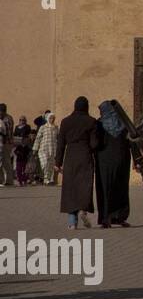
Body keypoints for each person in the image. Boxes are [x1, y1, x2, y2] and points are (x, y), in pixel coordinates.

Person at [56, 97, 99, 229]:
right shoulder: (91, 122)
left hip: (70, 157)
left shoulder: (65, 122)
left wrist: (58, 162)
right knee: (84, 185)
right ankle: (83, 210)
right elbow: (94, 143)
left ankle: (72, 222)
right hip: (85, 155)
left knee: (70, 188)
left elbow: (61, 144)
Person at [94, 101, 132, 227]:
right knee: (121, 188)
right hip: (122, 160)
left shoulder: (99, 124)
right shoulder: (123, 123)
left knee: (105, 189)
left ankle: (106, 218)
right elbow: (131, 140)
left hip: (104, 162)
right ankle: (120, 217)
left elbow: (95, 143)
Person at [35, 113, 59, 186]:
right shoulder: (43, 127)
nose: (52, 120)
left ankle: (47, 179)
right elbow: (38, 138)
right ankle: (45, 178)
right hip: (43, 148)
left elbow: (59, 137)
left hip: (53, 148)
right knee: (45, 163)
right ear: (47, 119)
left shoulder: (56, 128)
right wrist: (35, 148)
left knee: (51, 165)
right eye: (50, 118)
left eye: (53, 118)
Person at [12, 116, 33, 186]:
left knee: (25, 167)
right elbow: (14, 135)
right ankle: (20, 180)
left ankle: (25, 180)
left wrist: (27, 141)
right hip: (18, 145)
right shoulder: (17, 127)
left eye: (23, 120)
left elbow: (29, 135)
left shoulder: (27, 127)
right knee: (18, 166)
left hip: (25, 146)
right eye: (20, 120)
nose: (22, 121)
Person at [0, 103, 14, 186]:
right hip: (3, 143)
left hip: (6, 143)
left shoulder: (7, 119)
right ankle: (2, 180)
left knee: (6, 162)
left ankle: (9, 181)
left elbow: (8, 134)